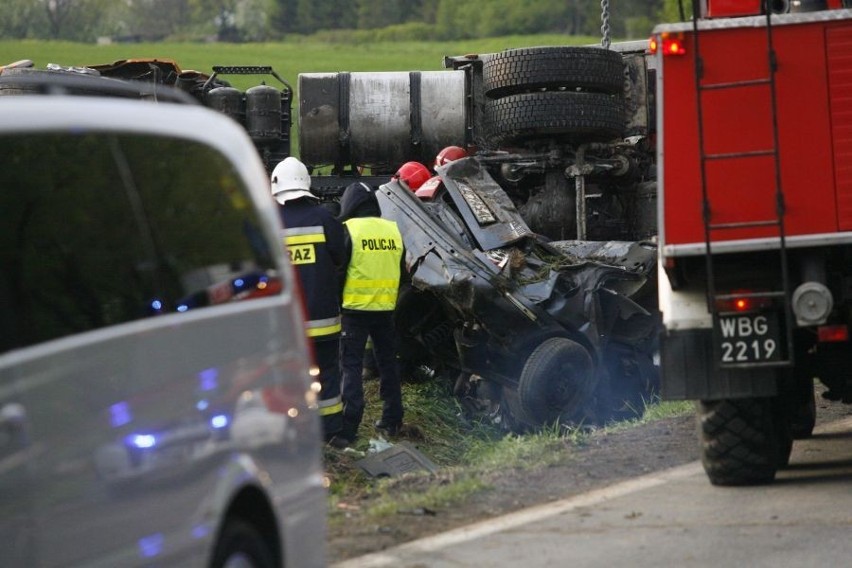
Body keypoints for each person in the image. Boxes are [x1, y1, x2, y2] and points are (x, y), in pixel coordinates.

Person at [270, 157, 347, 446]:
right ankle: (331, 432)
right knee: (327, 372)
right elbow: (341, 258)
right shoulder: (325, 219)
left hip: (285, 322)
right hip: (324, 319)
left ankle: (295, 432)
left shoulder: (270, 222)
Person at [336, 181, 406, 444]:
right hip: (386, 308)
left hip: (354, 310)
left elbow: (339, 271)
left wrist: (336, 301)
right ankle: (393, 418)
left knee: (350, 366)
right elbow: (401, 269)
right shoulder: (392, 230)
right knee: (388, 363)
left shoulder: (349, 230)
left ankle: (350, 424)